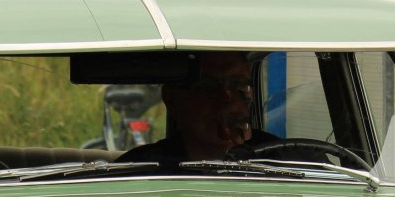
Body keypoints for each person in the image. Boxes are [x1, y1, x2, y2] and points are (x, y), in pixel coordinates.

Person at [117, 51, 277, 164]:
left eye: (239, 85)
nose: (226, 97)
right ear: (172, 100)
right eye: (207, 86)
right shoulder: (140, 171)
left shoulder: (278, 157)